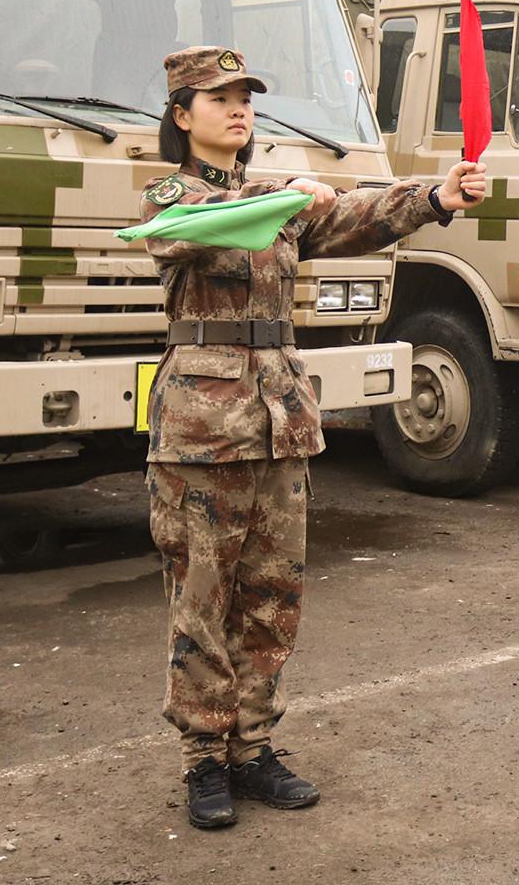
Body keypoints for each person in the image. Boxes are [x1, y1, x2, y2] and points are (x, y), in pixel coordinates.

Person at [141, 45, 488, 829]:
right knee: (203, 596)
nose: (237, 107)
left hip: (278, 419)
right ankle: (204, 756)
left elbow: (355, 215)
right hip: (202, 426)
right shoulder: (173, 192)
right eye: (218, 96)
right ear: (181, 114)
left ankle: (253, 746)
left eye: (245, 95)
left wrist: (435, 194)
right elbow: (182, 231)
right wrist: (283, 190)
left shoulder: (277, 198)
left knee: (272, 595)